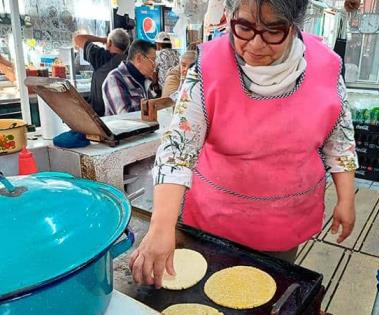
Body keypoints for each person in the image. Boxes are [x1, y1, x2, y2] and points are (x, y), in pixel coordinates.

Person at [130, 0, 358, 288]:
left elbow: (340, 141)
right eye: (245, 27)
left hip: (285, 220)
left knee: (271, 289)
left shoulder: (325, 68)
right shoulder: (208, 67)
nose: (256, 44)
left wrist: (346, 199)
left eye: (273, 30)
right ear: (230, 15)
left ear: (295, 25)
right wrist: (161, 226)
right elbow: (178, 150)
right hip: (216, 220)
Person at [73, 28, 130, 116]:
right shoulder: (128, 61)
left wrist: (102, 40)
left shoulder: (101, 57)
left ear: (110, 42)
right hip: (120, 113)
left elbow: (78, 39)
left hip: (101, 116)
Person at [102, 40, 158, 115]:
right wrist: (154, 107)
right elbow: (125, 116)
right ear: (139, 58)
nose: (154, 66)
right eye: (153, 60)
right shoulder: (114, 79)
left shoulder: (145, 79)